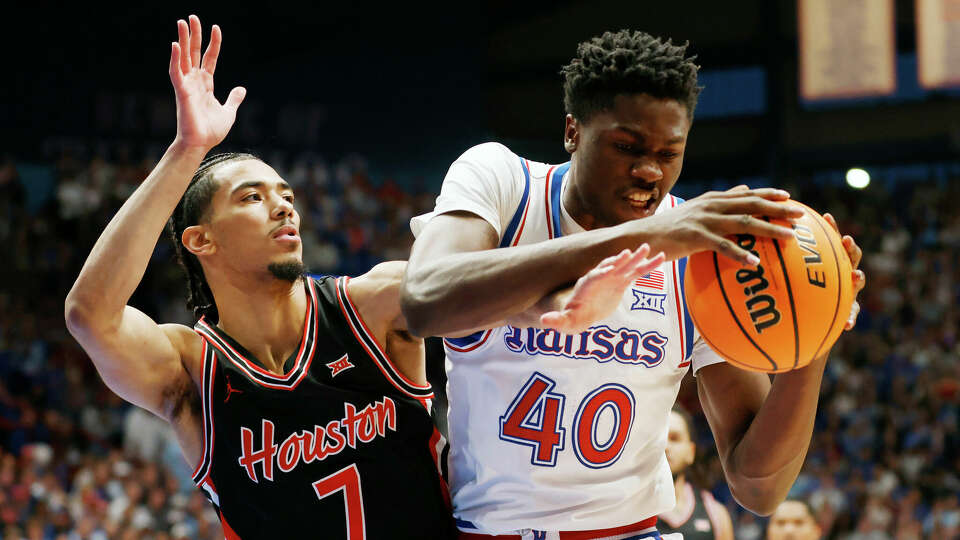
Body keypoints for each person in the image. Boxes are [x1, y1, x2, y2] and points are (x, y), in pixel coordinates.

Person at [401, 29, 866, 538]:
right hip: (488, 529)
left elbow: (758, 487)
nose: (649, 171)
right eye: (627, 146)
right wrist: (647, 235)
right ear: (573, 131)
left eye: (669, 154)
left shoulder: (698, 256)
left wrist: (815, 341)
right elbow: (425, 299)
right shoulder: (503, 181)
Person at [65, 16, 453, 539]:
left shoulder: (371, 305)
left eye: (286, 196)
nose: (283, 207)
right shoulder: (191, 370)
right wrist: (186, 151)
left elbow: (486, 285)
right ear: (201, 240)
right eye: (252, 197)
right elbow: (90, 315)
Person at [659, 407, 734, 540]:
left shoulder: (715, 513)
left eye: (674, 438)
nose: (666, 446)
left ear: (691, 452)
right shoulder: (625, 509)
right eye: (659, 438)